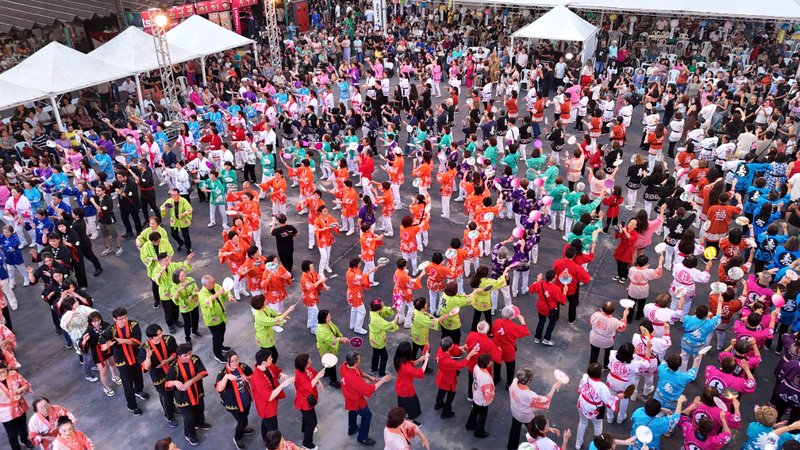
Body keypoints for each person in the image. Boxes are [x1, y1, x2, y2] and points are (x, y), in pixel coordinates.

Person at [102, 307, 149, 415]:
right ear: (114, 319)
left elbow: (137, 342)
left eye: (125, 317)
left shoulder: (133, 325)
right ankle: (132, 406)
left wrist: (123, 341)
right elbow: (103, 345)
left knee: (138, 375)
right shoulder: (110, 330)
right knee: (127, 383)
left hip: (135, 355)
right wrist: (106, 346)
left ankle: (138, 390)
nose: (124, 320)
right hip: (122, 359)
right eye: (121, 319)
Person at [340, 350, 393, 446]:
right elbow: (369, 389)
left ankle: (351, 429)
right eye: (359, 359)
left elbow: (359, 372)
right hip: (357, 401)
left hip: (349, 397)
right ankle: (362, 438)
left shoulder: (344, 366)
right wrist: (382, 380)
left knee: (352, 411)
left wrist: (369, 377)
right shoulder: (354, 379)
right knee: (367, 416)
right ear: (355, 362)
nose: (360, 359)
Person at [166, 343, 210, 447]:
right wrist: (175, 382)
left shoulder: (195, 359)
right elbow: (167, 383)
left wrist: (191, 381)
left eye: (190, 353)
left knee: (200, 409)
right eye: (185, 355)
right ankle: (190, 435)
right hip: (183, 397)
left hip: (197, 391)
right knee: (189, 417)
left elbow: (203, 373)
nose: (189, 356)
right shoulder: (174, 367)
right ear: (179, 356)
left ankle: (199, 423)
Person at [507, 368, 561, 450]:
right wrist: (553, 388)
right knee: (534, 431)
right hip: (526, 416)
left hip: (515, 411)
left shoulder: (514, 384)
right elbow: (545, 402)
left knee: (515, 429)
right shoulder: (529, 395)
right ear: (528, 381)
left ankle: (510, 447)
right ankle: (537, 446)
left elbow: (517, 378)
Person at [138, 324, 178, 428]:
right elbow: (145, 369)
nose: (161, 335)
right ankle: (169, 416)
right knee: (166, 398)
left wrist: (167, 360)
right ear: (150, 338)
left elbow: (176, 353)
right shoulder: (144, 350)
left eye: (161, 333)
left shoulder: (169, 339)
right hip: (159, 377)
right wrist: (148, 358)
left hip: (172, 372)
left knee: (174, 393)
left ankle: (173, 408)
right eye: (157, 335)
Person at [575, 363, 621, 449]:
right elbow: (608, 400)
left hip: (582, 405)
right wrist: (618, 396)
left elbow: (580, 389)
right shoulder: (602, 386)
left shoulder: (585, 377)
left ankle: (578, 443)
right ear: (599, 374)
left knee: (582, 423)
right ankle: (598, 444)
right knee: (598, 425)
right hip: (593, 409)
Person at [251, 348, 293, 443]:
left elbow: (276, 370)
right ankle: (273, 445)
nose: (272, 359)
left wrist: (281, 374)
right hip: (266, 407)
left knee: (265, 422)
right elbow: (269, 396)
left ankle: (265, 439)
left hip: (270, 403)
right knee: (273, 429)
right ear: (263, 362)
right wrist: (283, 384)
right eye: (270, 359)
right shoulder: (257, 378)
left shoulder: (267, 366)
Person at [215, 351, 254, 450]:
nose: (236, 363)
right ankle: (237, 437)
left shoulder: (242, 366)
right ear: (226, 362)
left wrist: (248, 378)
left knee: (245, 415)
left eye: (236, 360)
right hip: (234, 404)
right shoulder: (223, 373)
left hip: (245, 398)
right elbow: (219, 388)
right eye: (232, 361)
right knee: (242, 421)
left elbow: (253, 376)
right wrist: (226, 378)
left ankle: (243, 428)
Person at [492, 305, 530, 387]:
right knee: (510, 367)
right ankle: (509, 384)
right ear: (511, 316)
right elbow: (525, 332)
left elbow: (493, 331)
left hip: (497, 346)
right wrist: (522, 321)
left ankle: (496, 379)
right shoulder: (513, 326)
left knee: (497, 363)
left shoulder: (497, 321)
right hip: (508, 349)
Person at [197, 274, 232, 363]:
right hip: (212, 320)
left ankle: (221, 346)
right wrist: (218, 293)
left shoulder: (216, 286)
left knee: (222, 331)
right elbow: (208, 301)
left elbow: (225, 291)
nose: (214, 283)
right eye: (212, 282)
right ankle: (218, 354)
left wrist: (229, 296)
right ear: (206, 285)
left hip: (221, 316)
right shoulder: (201, 294)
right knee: (216, 337)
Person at [392, 340, 429, 425]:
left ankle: (403, 418)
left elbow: (411, 364)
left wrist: (420, 359)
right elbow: (420, 372)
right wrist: (426, 360)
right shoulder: (406, 366)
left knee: (402, 406)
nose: (412, 349)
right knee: (413, 408)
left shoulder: (398, 359)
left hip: (400, 387)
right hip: (407, 390)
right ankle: (411, 424)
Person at [293, 353, 325, 450]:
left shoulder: (307, 368)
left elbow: (313, 374)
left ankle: (304, 430)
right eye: (309, 361)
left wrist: (318, 380)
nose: (311, 362)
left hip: (309, 398)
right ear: (304, 365)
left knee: (306, 417)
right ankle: (307, 443)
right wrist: (318, 377)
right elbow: (308, 385)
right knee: (312, 422)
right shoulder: (300, 374)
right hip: (304, 402)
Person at [0, 361, 33, 450]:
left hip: (19, 405)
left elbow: (26, 384)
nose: (1, 375)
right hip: (5, 412)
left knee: (23, 426)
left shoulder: (13, 374)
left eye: (3, 371)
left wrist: (20, 389)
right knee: (12, 434)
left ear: (7, 369)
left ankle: (24, 440)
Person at [588, 301, 628, 369]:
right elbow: (622, 327)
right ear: (613, 311)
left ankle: (592, 366)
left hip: (594, 338)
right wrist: (625, 315)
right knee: (608, 353)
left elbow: (590, 322)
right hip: (607, 341)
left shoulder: (596, 314)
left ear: (602, 308)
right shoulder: (615, 321)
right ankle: (606, 366)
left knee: (594, 352)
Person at [466, 353, 495, 438]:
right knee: (482, 416)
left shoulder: (476, 367)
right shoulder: (486, 377)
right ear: (487, 364)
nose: (491, 362)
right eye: (490, 362)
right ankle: (479, 432)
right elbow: (487, 393)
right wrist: (489, 400)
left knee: (475, 410)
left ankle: (470, 425)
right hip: (482, 400)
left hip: (476, 394)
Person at [315, 309, 347, 388]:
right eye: (329, 316)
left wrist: (340, 336)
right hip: (326, 349)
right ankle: (333, 381)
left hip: (329, 348)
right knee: (332, 365)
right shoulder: (322, 330)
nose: (330, 317)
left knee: (326, 362)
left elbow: (335, 329)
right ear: (324, 319)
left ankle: (326, 372)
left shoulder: (328, 323)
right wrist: (340, 339)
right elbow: (330, 340)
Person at [160, 188, 193, 254]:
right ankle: (181, 242)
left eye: (175, 195)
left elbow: (189, 209)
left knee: (185, 235)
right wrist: (163, 209)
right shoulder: (170, 201)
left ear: (179, 194)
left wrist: (183, 214)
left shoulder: (183, 201)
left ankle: (189, 248)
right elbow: (162, 206)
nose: (173, 196)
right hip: (174, 220)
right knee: (173, 234)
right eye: (172, 195)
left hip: (183, 220)